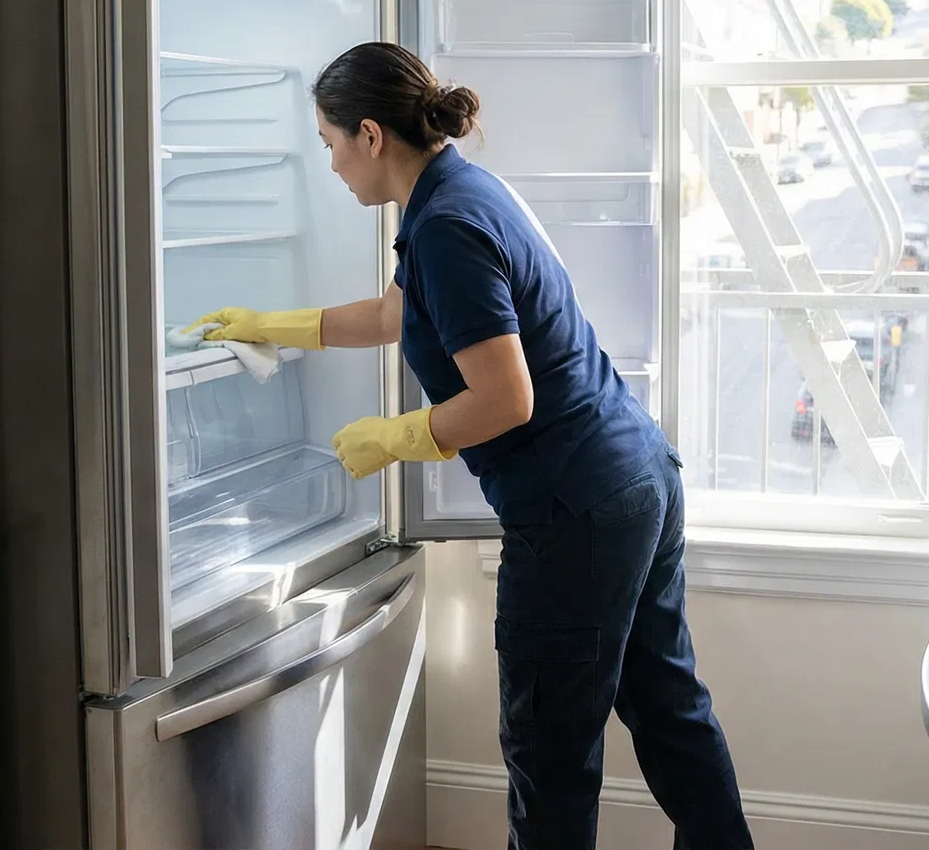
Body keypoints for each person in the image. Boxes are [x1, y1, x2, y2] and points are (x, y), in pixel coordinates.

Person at [198, 42, 753, 850]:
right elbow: (395, 317)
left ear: (371, 136)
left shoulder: (447, 226)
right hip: (635, 477)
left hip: (576, 510)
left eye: (329, 145)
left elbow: (504, 396)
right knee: (669, 711)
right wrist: (276, 327)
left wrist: (399, 437)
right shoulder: (456, 193)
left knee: (550, 749)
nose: (331, 166)